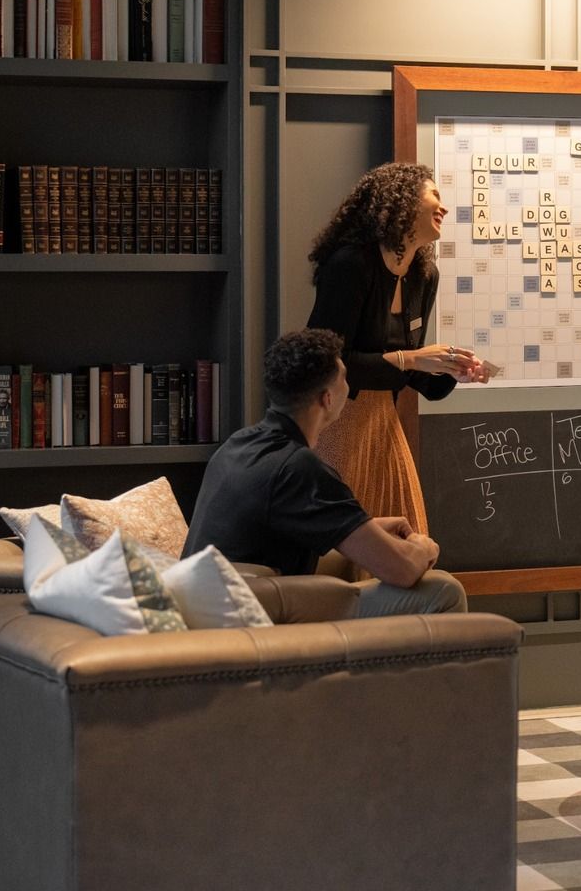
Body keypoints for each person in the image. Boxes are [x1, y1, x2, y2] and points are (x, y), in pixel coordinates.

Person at [183, 328, 467, 616]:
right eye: (345, 378)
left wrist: (368, 529)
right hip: (255, 620)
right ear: (328, 399)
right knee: (443, 590)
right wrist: (423, 546)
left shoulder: (240, 445)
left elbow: (279, 529)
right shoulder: (299, 468)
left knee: (351, 560)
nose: (349, 385)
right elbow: (403, 570)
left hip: (211, 610)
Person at [305, 162, 489, 547]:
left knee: (410, 541)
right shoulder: (351, 264)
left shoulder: (424, 275)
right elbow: (327, 364)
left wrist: (452, 371)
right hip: (334, 420)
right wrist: (413, 359)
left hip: (382, 423)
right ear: (403, 200)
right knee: (346, 548)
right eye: (435, 194)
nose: (444, 207)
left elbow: (416, 376)